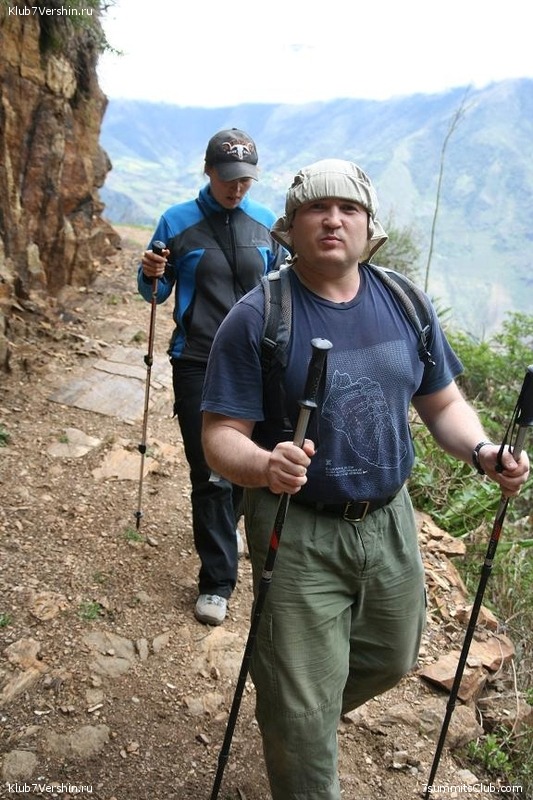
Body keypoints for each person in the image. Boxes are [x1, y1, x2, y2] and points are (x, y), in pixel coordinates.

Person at [200, 159, 530, 799]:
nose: (333, 220)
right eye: (316, 209)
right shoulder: (259, 315)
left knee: (393, 653)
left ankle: (296, 714)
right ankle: (298, 726)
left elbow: (442, 401)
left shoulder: (404, 302)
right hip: (295, 524)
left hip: (389, 520)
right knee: (302, 711)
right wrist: (266, 465)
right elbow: (219, 438)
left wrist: (483, 451)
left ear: (368, 225)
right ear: (291, 226)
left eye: (348, 209)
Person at [138, 128, 285, 627]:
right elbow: (155, 293)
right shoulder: (176, 221)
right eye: (228, 179)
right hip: (197, 359)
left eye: (245, 180)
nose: (236, 188)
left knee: (250, 459)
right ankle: (217, 582)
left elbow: (283, 289)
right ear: (208, 171)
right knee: (209, 471)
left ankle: (230, 521)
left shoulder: (265, 224)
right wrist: (151, 272)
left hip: (258, 361)